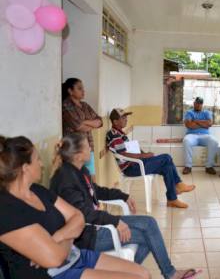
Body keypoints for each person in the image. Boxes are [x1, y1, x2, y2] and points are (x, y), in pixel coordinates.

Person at [50, 133, 200, 279]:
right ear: (78, 155)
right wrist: (115, 221)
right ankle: (167, 274)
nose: (91, 149)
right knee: (148, 237)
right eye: (87, 147)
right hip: (87, 236)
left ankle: (129, 274)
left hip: (97, 225)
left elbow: (96, 191)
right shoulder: (65, 179)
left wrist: (123, 195)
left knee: (150, 223)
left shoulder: (80, 170)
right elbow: (83, 214)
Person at [0, 135, 148, 279]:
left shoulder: (38, 191)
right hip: (55, 274)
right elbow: (55, 259)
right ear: (25, 168)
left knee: (144, 274)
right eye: (37, 159)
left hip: (75, 256)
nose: (42, 164)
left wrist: (57, 237)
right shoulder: (8, 210)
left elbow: (79, 217)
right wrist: (70, 232)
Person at [106, 108, 195, 209]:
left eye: (126, 117)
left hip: (136, 163)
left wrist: (144, 153)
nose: (126, 119)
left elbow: (131, 149)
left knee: (167, 167)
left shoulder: (120, 133)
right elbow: (124, 154)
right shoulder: (113, 135)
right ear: (115, 121)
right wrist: (144, 156)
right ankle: (177, 187)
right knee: (166, 157)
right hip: (131, 168)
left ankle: (172, 199)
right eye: (123, 117)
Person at [62, 78, 103, 181]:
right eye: (79, 88)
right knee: (77, 179)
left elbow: (100, 121)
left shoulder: (85, 105)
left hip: (88, 147)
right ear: (70, 91)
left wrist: (84, 121)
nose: (83, 91)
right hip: (74, 150)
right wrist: (91, 124)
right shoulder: (66, 106)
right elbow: (78, 127)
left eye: (83, 88)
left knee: (92, 178)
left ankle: (93, 197)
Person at [182, 97, 219, 175]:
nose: (199, 105)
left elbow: (209, 124)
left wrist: (196, 121)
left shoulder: (207, 113)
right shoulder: (189, 112)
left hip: (205, 135)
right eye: (197, 103)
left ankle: (209, 166)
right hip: (192, 135)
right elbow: (189, 125)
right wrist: (203, 124)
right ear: (194, 103)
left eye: (200, 103)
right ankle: (188, 166)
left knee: (214, 141)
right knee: (186, 141)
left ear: (202, 105)